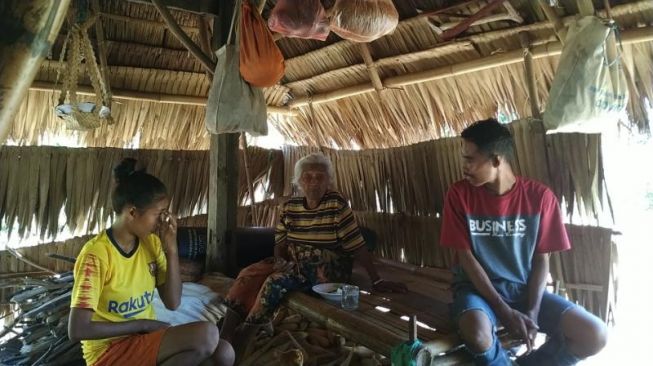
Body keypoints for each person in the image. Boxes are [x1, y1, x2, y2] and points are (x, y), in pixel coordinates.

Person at [440, 119, 608, 365]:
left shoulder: (540, 198)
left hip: (523, 290)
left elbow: (542, 261)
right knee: (477, 334)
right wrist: (503, 311)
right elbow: (465, 258)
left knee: (595, 335)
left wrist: (533, 310)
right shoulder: (459, 195)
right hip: (477, 292)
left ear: (496, 160)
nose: (464, 167)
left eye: (470, 160)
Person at [220, 152, 407, 356]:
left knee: (275, 282)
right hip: (296, 262)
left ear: (329, 181)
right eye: (308, 177)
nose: (314, 182)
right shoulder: (290, 207)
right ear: (299, 181)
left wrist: (376, 280)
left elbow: (357, 245)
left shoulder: (336, 204)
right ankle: (226, 331)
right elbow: (280, 244)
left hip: (327, 268)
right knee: (249, 273)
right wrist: (281, 261)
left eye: (320, 177)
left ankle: (246, 335)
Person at [68, 158, 234, 366]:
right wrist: (143, 324)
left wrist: (171, 248)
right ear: (132, 213)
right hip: (109, 352)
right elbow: (77, 330)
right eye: (158, 214)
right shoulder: (97, 255)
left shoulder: (152, 244)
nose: (162, 221)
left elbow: (173, 303)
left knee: (224, 353)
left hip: (142, 342)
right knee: (207, 334)